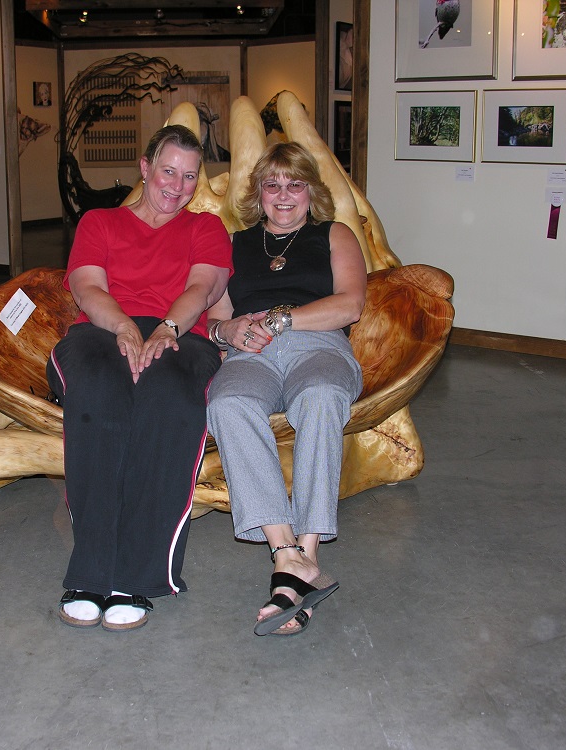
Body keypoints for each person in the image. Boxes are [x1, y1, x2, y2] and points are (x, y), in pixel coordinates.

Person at [47, 125, 232, 632]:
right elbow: (87, 287)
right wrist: (126, 328)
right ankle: (90, 572)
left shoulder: (205, 228)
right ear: (145, 167)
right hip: (101, 332)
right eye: (167, 171)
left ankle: (136, 576)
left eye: (189, 176)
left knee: (168, 400)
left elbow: (203, 285)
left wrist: (168, 328)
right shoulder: (100, 221)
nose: (176, 185)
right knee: (99, 396)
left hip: (181, 335)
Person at [206, 141, 368, 636]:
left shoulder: (333, 234)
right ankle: (286, 553)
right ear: (257, 192)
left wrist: (283, 319)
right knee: (228, 401)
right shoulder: (235, 244)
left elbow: (351, 304)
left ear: (310, 191)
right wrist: (229, 332)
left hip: (316, 345)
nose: (283, 195)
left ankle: (308, 551)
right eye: (272, 184)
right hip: (250, 352)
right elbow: (215, 316)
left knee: (320, 396)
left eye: (294, 184)